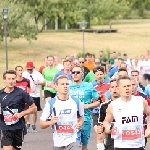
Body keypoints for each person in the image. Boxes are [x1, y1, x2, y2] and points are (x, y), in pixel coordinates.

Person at [103, 76, 150, 150]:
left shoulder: (141, 101)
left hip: (138, 145)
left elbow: (149, 114)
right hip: (121, 145)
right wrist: (108, 127)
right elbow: (106, 121)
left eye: (129, 86)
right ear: (118, 89)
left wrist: (148, 128)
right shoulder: (113, 105)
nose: (127, 88)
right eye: (124, 86)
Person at [40, 75, 84, 150]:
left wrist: (80, 123)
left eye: (67, 84)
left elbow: (81, 117)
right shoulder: (51, 104)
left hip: (74, 139)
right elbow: (41, 124)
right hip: (58, 142)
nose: (65, 86)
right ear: (56, 87)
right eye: (62, 84)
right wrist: (51, 122)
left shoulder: (76, 101)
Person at [0, 70, 37, 150]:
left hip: (18, 127)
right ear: (4, 80)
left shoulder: (21, 93)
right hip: (5, 127)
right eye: (9, 79)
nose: (11, 81)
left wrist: (21, 114)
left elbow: (34, 108)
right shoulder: (1, 94)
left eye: (13, 79)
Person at [69, 66, 101, 150]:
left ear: (82, 74)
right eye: (73, 72)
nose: (75, 74)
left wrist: (87, 106)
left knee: (84, 146)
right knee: (70, 145)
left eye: (78, 72)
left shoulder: (88, 86)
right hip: (69, 120)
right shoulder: (67, 86)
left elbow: (99, 102)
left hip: (85, 119)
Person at [96, 79, 120, 150]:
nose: (115, 89)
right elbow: (101, 125)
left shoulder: (127, 104)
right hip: (110, 139)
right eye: (112, 87)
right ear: (110, 89)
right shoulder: (104, 106)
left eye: (117, 87)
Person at [22, 61, 45, 132]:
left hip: (36, 94)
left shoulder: (37, 74)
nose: (29, 70)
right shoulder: (24, 74)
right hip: (27, 94)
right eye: (28, 69)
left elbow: (43, 82)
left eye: (30, 69)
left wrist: (37, 82)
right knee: (27, 110)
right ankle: (28, 123)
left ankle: (34, 124)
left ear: (33, 68)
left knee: (34, 110)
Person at [15, 66, 30, 141]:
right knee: (19, 119)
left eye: (21, 70)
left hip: (25, 102)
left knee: (25, 116)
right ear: (16, 72)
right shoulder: (14, 81)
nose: (20, 71)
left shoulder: (26, 80)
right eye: (19, 70)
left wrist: (28, 97)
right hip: (17, 103)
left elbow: (29, 88)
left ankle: (24, 127)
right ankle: (21, 133)